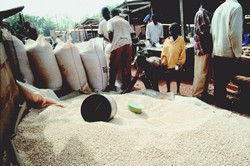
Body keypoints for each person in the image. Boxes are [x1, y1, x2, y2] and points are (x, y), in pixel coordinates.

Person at [210, 0, 243, 109]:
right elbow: (235, 34)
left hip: (217, 51)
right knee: (232, 79)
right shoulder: (236, 7)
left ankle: (219, 105)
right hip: (228, 52)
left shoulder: (219, 9)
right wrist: (238, 53)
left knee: (219, 84)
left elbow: (212, 31)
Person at [106, 8, 133, 91]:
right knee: (126, 65)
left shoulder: (110, 21)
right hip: (128, 43)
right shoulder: (125, 21)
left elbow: (110, 32)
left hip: (118, 43)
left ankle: (111, 86)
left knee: (113, 65)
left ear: (111, 14)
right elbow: (132, 33)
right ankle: (126, 85)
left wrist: (112, 43)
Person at [192, 0, 213, 102]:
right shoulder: (201, 14)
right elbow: (203, 33)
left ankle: (202, 93)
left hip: (203, 47)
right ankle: (199, 95)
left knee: (204, 72)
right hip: (202, 48)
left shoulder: (204, 14)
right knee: (201, 73)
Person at [161, 22, 186, 95]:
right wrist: (164, 62)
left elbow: (183, 53)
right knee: (168, 78)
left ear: (176, 31)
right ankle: (168, 90)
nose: (170, 32)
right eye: (169, 30)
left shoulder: (181, 40)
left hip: (176, 65)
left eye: (171, 30)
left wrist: (180, 63)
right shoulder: (167, 40)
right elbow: (164, 53)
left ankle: (178, 91)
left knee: (178, 77)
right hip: (168, 64)